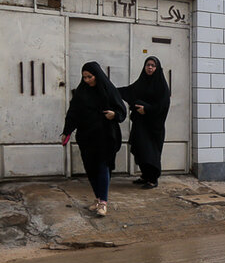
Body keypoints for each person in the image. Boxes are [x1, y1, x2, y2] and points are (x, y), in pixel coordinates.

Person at [60, 61, 126, 217]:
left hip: (105, 136)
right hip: (86, 136)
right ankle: (97, 199)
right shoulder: (81, 92)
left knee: (102, 166)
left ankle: (103, 202)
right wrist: (66, 131)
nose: (87, 80)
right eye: (84, 77)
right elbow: (73, 113)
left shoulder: (108, 90)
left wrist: (114, 115)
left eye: (90, 77)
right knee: (90, 168)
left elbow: (121, 110)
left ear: (97, 75)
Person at [118, 55, 171, 189]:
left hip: (154, 127)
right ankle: (145, 176)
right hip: (141, 124)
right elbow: (129, 91)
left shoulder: (161, 86)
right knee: (140, 149)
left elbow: (163, 105)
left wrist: (147, 109)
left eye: (153, 65)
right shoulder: (141, 82)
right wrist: (111, 89)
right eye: (148, 65)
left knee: (150, 152)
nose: (150, 67)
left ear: (157, 68)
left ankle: (153, 179)